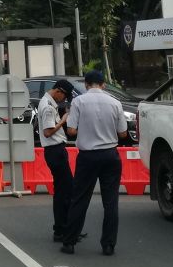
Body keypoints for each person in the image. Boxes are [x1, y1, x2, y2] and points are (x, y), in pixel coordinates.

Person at [61, 70, 128, 256]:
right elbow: (123, 133)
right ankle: (108, 244)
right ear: (103, 84)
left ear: (86, 84)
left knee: (80, 199)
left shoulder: (79, 102)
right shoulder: (115, 103)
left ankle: (69, 242)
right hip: (110, 156)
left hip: (88, 156)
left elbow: (72, 131)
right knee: (111, 201)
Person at [38, 79, 76, 241]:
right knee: (65, 191)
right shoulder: (47, 106)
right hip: (55, 150)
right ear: (58, 91)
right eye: (64, 96)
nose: (63, 100)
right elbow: (48, 132)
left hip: (54, 151)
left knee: (63, 191)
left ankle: (62, 228)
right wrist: (63, 120)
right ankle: (62, 229)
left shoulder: (47, 102)